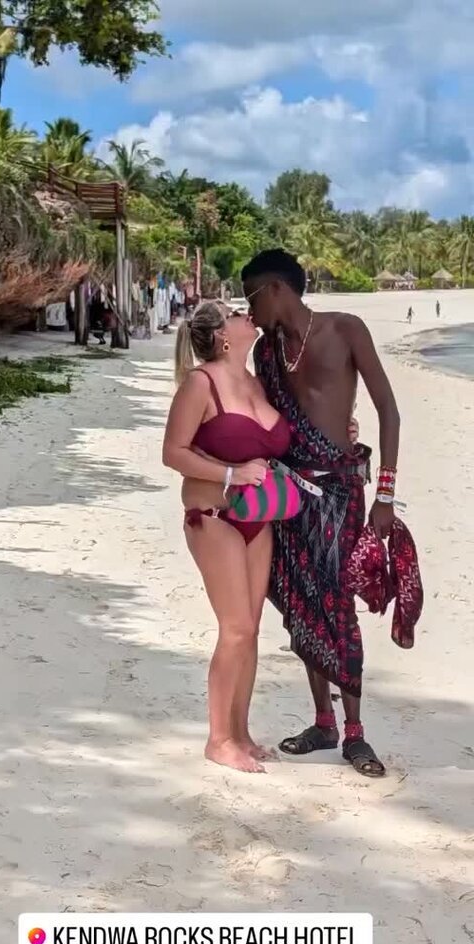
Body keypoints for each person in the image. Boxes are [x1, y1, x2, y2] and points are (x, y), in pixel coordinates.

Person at [241, 249, 401, 778]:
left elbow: (389, 410)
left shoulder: (345, 329)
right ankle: (323, 722)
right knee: (300, 606)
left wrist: (385, 495)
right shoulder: (265, 352)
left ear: (277, 289)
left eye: (252, 298)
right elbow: (265, 422)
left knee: (337, 607)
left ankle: (355, 732)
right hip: (289, 495)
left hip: (341, 493)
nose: (251, 311)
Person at [162, 302, 291, 773]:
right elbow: (172, 453)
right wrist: (231, 473)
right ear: (223, 335)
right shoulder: (201, 384)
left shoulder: (255, 382)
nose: (247, 313)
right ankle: (218, 740)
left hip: (258, 519)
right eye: (237, 312)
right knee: (234, 628)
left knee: (250, 630)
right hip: (213, 515)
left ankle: (241, 733)